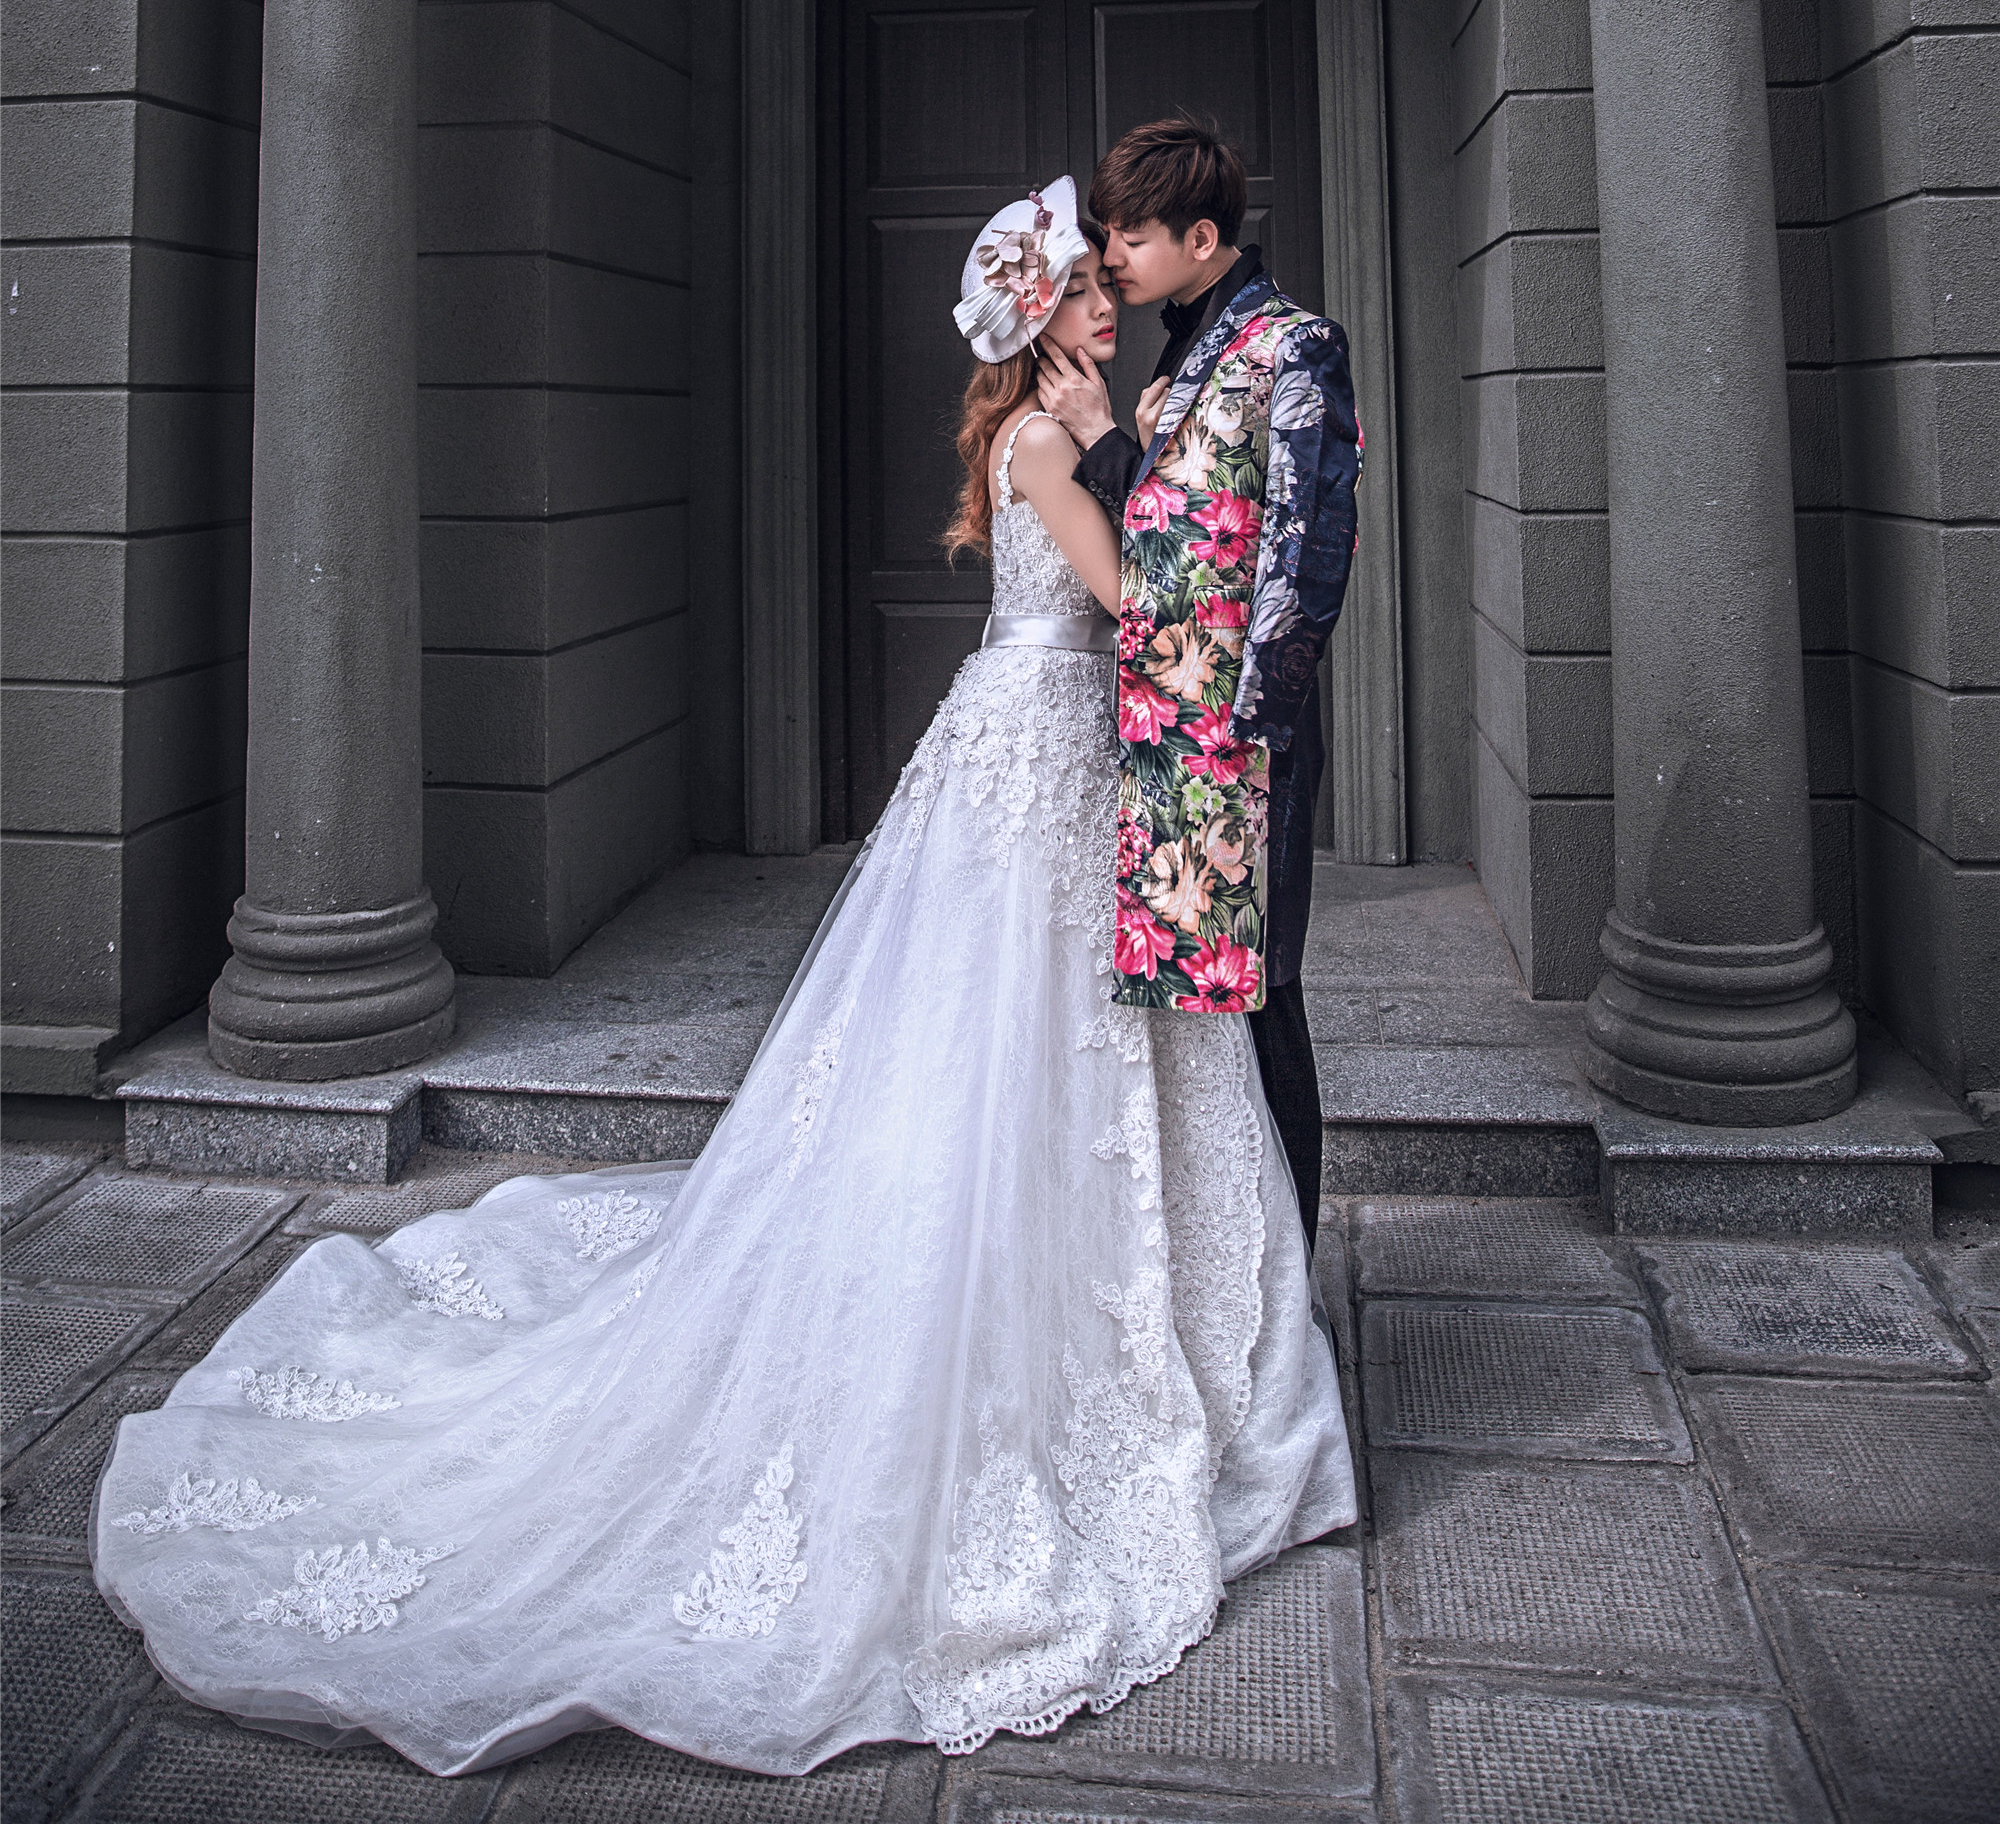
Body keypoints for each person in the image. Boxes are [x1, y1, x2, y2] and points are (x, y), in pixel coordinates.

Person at [91, 175, 1353, 1780]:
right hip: (1044, 747)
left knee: (1050, 1043)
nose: (1112, 299)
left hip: (1054, 752)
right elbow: (1138, 601)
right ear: (1042, 321)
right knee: (1015, 1040)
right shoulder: (1050, 441)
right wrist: (1139, 466)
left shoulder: (1051, 427)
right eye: (1087, 291)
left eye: (1115, 283)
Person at [1035, 121, 1362, 1256]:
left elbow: (1303, 559)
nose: (1110, 257)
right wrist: (1110, 444)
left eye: (1131, 237)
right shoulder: (1179, 358)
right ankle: (1226, 1273)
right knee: (1205, 1013)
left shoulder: (1294, 348)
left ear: (1203, 238)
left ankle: (1291, 1286)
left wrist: (1249, 735)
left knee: (1266, 998)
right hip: (1170, 737)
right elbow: (1173, 537)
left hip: (1240, 741)